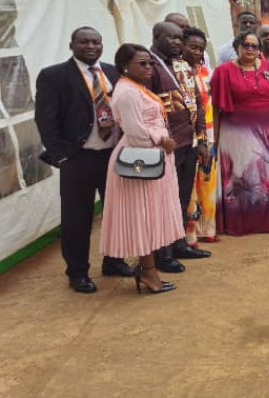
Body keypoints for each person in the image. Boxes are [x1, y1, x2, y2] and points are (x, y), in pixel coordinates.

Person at [34, 27, 134, 293]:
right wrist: (62, 155)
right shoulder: (54, 76)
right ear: (72, 45)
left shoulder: (114, 73)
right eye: (84, 42)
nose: (90, 46)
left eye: (95, 42)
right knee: (77, 218)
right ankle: (77, 272)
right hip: (78, 158)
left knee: (116, 212)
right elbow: (46, 120)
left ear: (102, 45)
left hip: (112, 156)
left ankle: (114, 260)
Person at [99, 44, 184, 294]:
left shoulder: (136, 87)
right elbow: (135, 133)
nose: (148, 68)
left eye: (150, 63)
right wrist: (161, 139)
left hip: (151, 158)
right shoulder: (127, 92)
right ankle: (148, 272)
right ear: (125, 65)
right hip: (140, 159)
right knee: (141, 217)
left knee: (148, 215)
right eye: (142, 63)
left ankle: (148, 269)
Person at [147, 22, 210, 271]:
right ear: (156, 37)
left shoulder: (183, 65)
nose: (175, 42)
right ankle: (162, 254)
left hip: (189, 142)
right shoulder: (150, 65)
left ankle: (179, 243)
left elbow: (197, 102)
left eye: (177, 38)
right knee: (165, 201)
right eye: (170, 38)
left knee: (183, 197)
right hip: (166, 145)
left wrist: (202, 139)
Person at [210, 31, 269, 235]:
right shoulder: (222, 71)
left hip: (267, 133)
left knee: (267, 175)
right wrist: (214, 139)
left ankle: (268, 222)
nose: (250, 49)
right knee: (240, 177)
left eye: (254, 46)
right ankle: (238, 223)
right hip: (235, 134)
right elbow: (215, 109)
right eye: (246, 45)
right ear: (237, 47)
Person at [182, 28, 219, 244]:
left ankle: (208, 229)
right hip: (190, 137)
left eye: (200, 49)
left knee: (207, 182)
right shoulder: (179, 72)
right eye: (192, 47)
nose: (197, 52)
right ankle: (190, 234)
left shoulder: (205, 72)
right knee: (190, 187)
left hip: (209, 135)